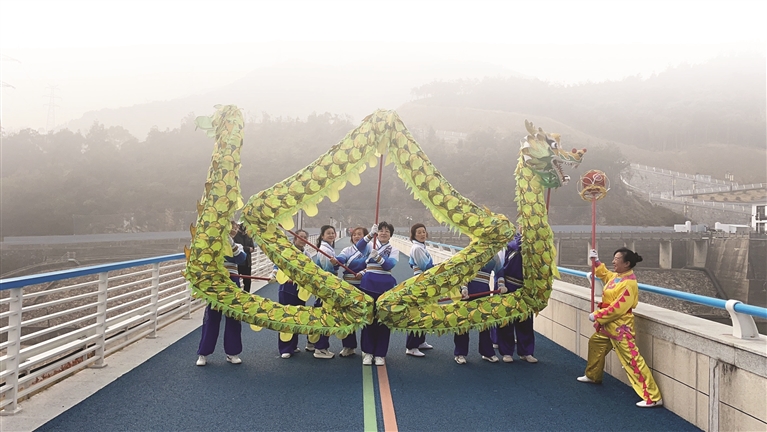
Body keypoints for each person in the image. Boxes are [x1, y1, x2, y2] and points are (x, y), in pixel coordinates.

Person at [577, 247, 663, 408]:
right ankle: (593, 375)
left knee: (632, 359)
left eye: (616, 259)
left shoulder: (629, 283)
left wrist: (597, 315)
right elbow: (605, 274)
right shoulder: (618, 277)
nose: (613, 262)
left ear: (627, 263)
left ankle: (653, 396)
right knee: (596, 343)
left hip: (620, 328)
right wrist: (596, 262)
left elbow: (618, 308)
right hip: (608, 326)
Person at [196, 220, 248, 366]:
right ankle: (203, 353)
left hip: (232, 282)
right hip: (216, 283)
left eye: (236, 228)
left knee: (233, 317)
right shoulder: (214, 245)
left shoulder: (238, 245)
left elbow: (241, 258)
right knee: (211, 317)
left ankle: (232, 353)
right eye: (232, 226)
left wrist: (230, 241)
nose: (235, 229)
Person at [357, 222, 399, 366]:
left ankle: (380, 354)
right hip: (368, 285)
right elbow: (359, 247)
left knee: (383, 320)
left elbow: (389, 265)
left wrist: (378, 257)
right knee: (368, 319)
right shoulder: (371, 245)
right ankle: (368, 352)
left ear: (390, 235)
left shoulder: (394, 249)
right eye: (380, 230)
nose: (383, 233)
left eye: (387, 231)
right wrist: (369, 235)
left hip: (385, 287)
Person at [453, 255, 507, 364]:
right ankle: (460, 353)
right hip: (467, 292)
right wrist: (464, 288)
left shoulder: (494, 255)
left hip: (484, 291)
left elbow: (499, 271)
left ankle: (487, 352)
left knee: (485, 323)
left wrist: (501, 285)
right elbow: (463, 272)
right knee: (463, 322)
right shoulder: (472, 252)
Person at [495, 233, 538, 363]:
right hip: (509, 285)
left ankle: (526, 352)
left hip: (526, 288)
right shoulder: (510, 243)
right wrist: (500, 284)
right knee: (507, 320)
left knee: (526, 321)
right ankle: (507, 352)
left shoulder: (536, 245)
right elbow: (499, 266)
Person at [276, 229, 313, 358]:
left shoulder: (308, 255)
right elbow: (277, 265)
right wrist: (274, 274)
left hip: (301, 289)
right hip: (287, 287)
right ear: (295, 238)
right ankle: (285, 348)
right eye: (300, 237)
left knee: (297, 316)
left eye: (305, 237)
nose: (303, 239)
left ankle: (293, 345)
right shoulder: (287, 251)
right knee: (286, 316)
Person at [334, 226, 370, 357]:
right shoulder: (347, 250)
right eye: (354, 234)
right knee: (347, 316)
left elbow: (374, 266)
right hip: (348, 287)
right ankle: (349, 346)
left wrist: (363, 272)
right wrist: (336, 261)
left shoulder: (371, 249)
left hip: (365, 286)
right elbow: (341, 259)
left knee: (367, 317)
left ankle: (367, 348)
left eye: (360, 234)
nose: (356, 236)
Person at [309, 225, 340, 359]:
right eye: (328, 233)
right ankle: (320, 348)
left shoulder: (327, 248)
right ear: (322, 236)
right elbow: (328, 271)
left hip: (322, 287)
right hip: (326, 287)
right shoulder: (325, 250)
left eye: (333, 233)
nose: (331, 235)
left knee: (318, 314)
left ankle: (313, 343)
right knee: (325, 316)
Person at [405, 223, 434, 357]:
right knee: (417, 313)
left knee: (424, 311)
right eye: (419, 232)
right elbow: (426, 267)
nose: (422, 234)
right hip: (420, 282)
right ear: (414, 235)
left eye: (424, 231)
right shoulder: (417, 248)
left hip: (424, 281)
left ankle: (420, 340)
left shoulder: (422, 247)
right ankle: (411, 346)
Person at [234, 223, 256, 293]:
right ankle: (237, 295)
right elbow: (235, 247)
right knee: (236, 281)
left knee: (247, 281)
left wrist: (247, 248)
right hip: (238, 263)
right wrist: (247, 249)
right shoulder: (235, 236)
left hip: (247, 262)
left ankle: (247, 295)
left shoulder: (249, 236)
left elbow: (252, 248)